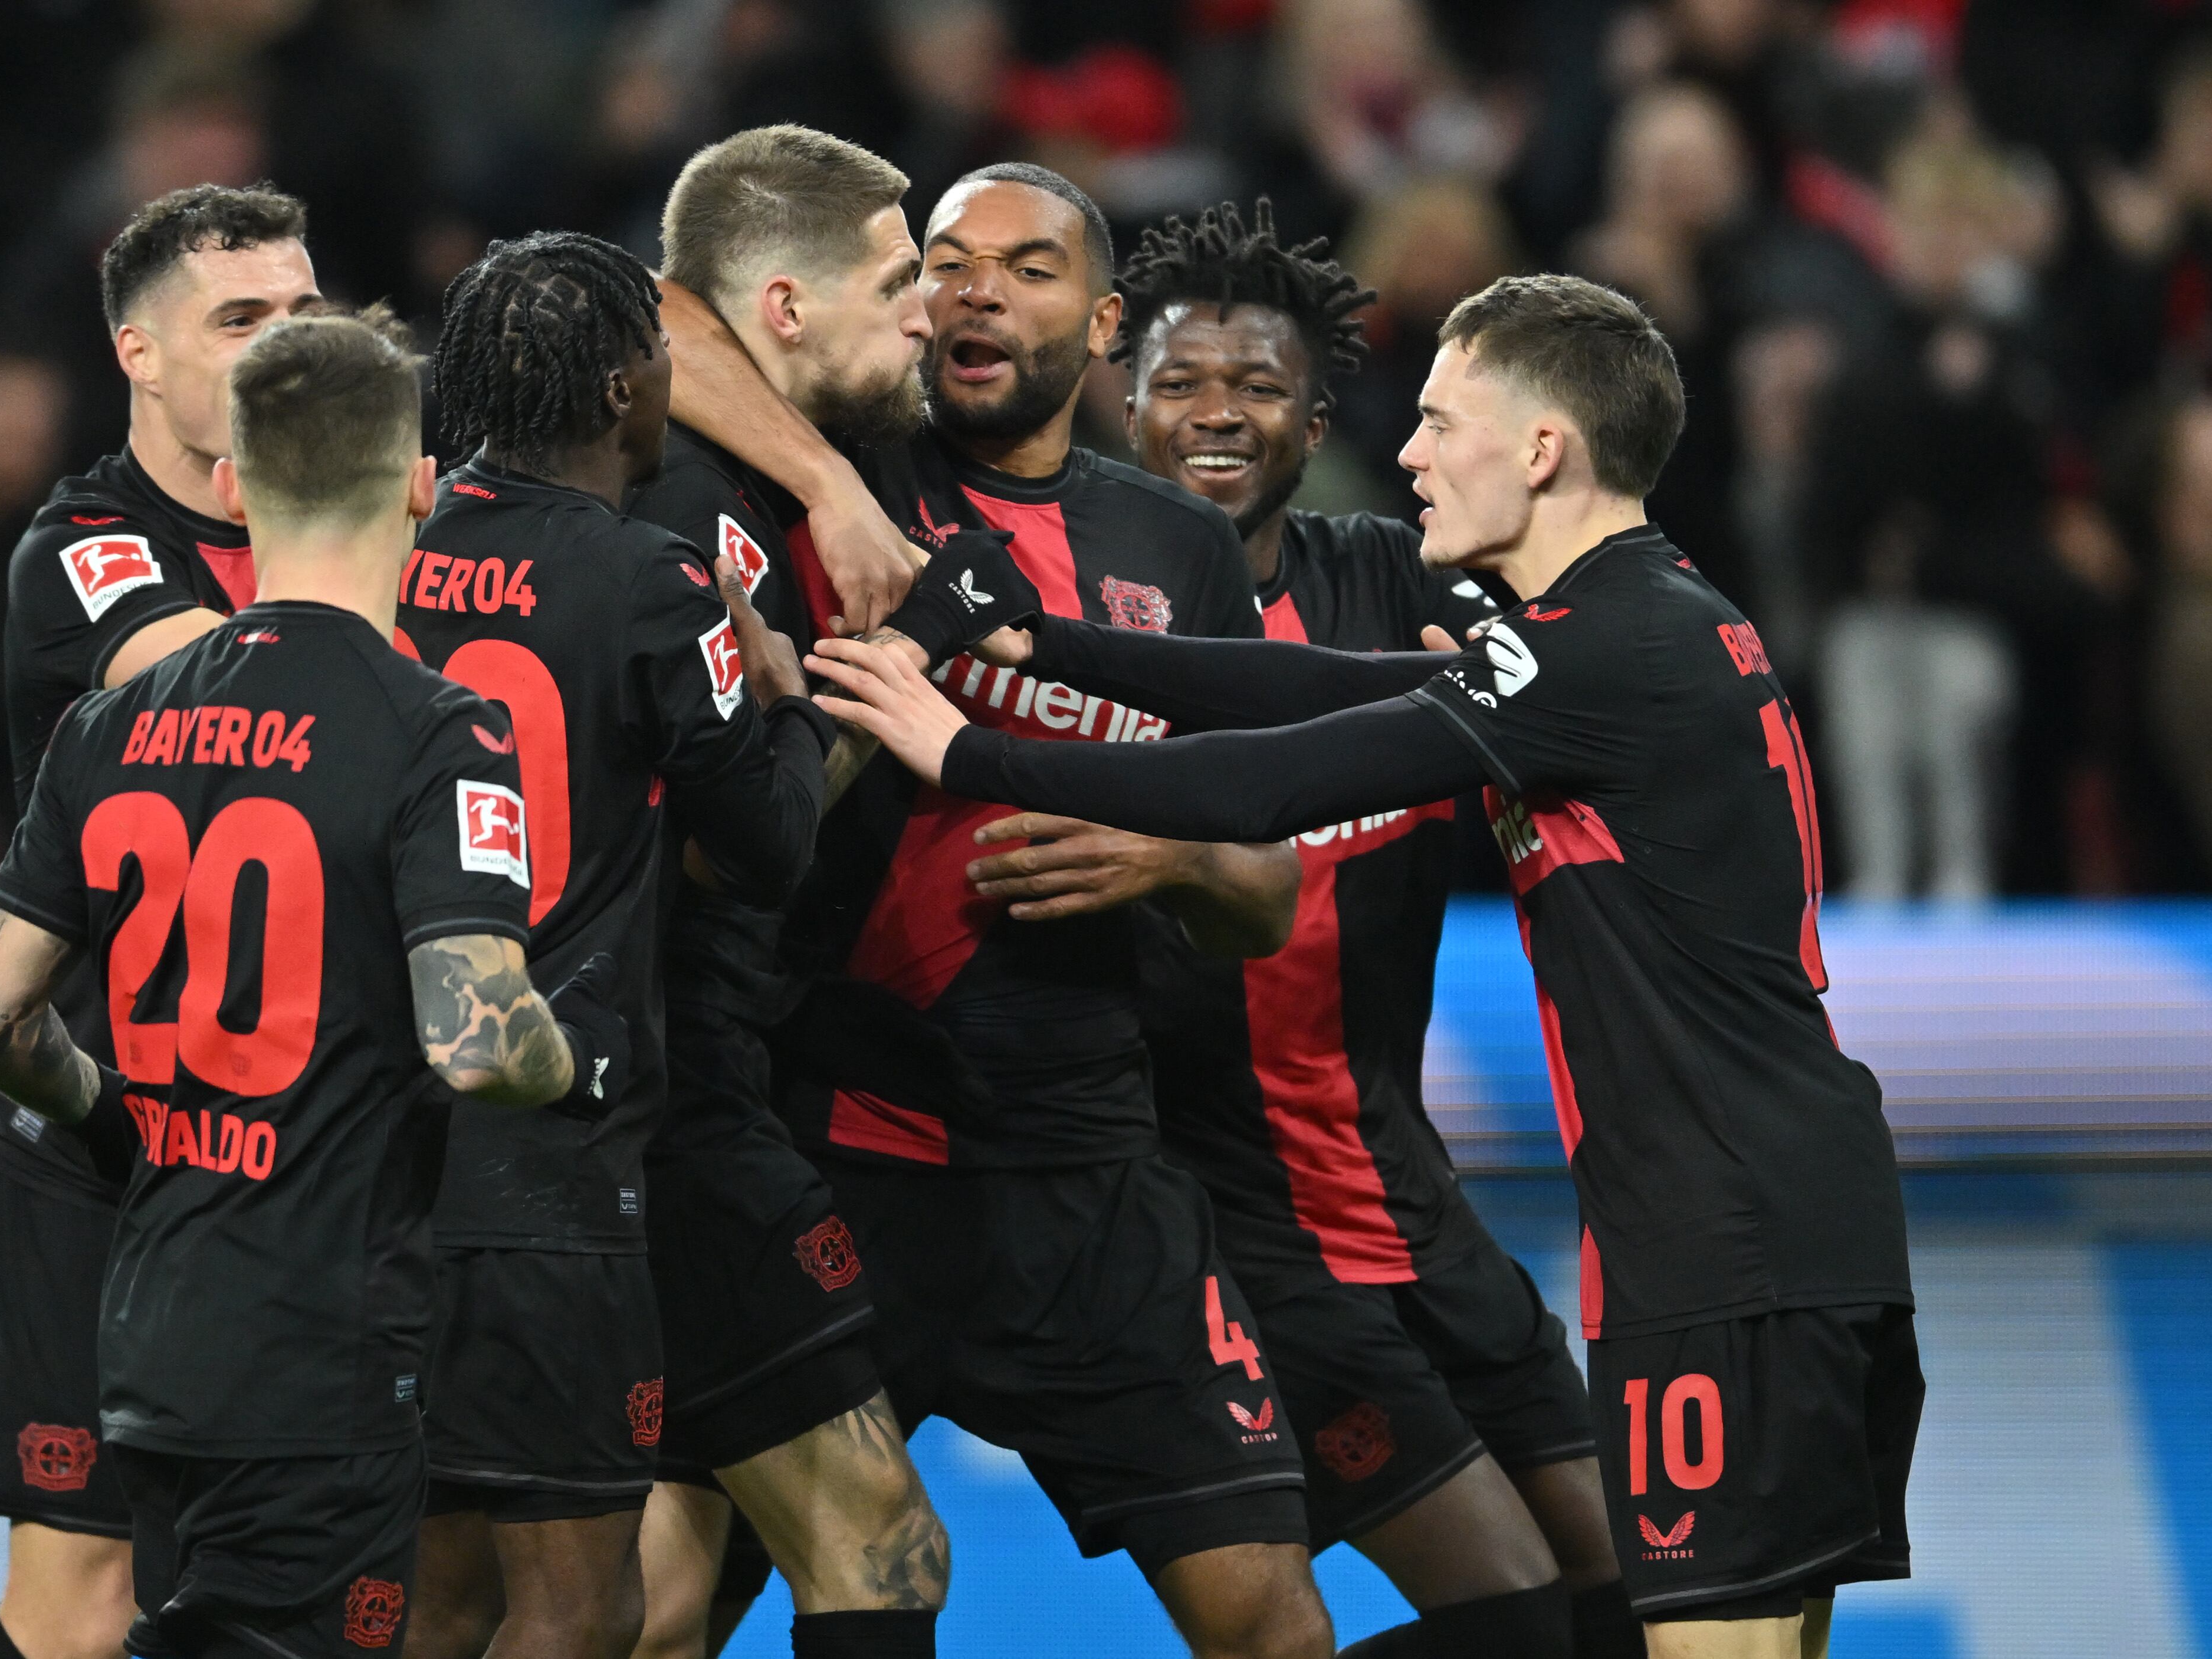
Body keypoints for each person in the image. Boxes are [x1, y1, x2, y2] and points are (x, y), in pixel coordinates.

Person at [809, 272, 1921, 1659]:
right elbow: (1324, 686)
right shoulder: (1649, 618)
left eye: (1443, 420)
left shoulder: (1604, 648)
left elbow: (1280, 778)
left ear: (1540, 450)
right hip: (1789, 1210)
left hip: (1722, 1233)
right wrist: (1050, 647)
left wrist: (963, 750)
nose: (1405, 451)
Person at [661, 159, 1336, 1659]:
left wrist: (1161, 856)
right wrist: (834, 488)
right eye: (945, 261)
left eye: (1025, 269)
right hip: (830, 1142)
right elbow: (657, 314)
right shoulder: (831, 459)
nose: (970, 289)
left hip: (1088, 1172)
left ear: (1101, 326)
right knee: (651, 1612)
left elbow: (1268, 890)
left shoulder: (1172, 549)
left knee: (1274, 1627)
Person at [0, 306, 626, 1659]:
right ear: (423, 486)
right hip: (323, 1335)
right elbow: (482, 1043)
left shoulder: (112, 717)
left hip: (147, 1321)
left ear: (238, 485)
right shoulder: (439, 726)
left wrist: (113, 1126)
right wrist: (570, 1060)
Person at [1110, 200, 1640, 1659]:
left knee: (1641, 1601)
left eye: (1258, 386)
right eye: (1179, 384)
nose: (1217, 415)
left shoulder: (1396, 587)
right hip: (1235, 1222)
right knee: (1515, 1617)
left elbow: (1604, 624)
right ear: (1122, 402)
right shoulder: (1076, 613)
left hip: (1410, 1193)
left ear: (1316, 413)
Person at [396, 231, 842, 1659]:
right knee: (583, 1609)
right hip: (555, 1158)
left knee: (437, 1596)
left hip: (382, 1145)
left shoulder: (390, 547)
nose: (674, 384)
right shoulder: (654, 583)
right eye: (659, 358)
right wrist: (788, 697)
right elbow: (768, 848)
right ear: (614, 391)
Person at [0, 182, 322, 1659]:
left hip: (310, 1146)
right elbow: (229, 694)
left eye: (304, 315)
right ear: (139, 355)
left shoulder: (375, 528)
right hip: (107, 1137)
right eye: (240, 319)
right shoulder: (88, 547)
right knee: (79, 1613)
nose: (286, 346)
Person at [618, 128, 951, 1659]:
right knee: (876, 1543)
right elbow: (701, 841)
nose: (930, 312)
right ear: (787, 304)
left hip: (692, 1078)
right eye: (898, 283)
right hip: (677, 1088)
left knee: (645, 1599)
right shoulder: (691, 498)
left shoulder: (813, 464)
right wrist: (847, 718)